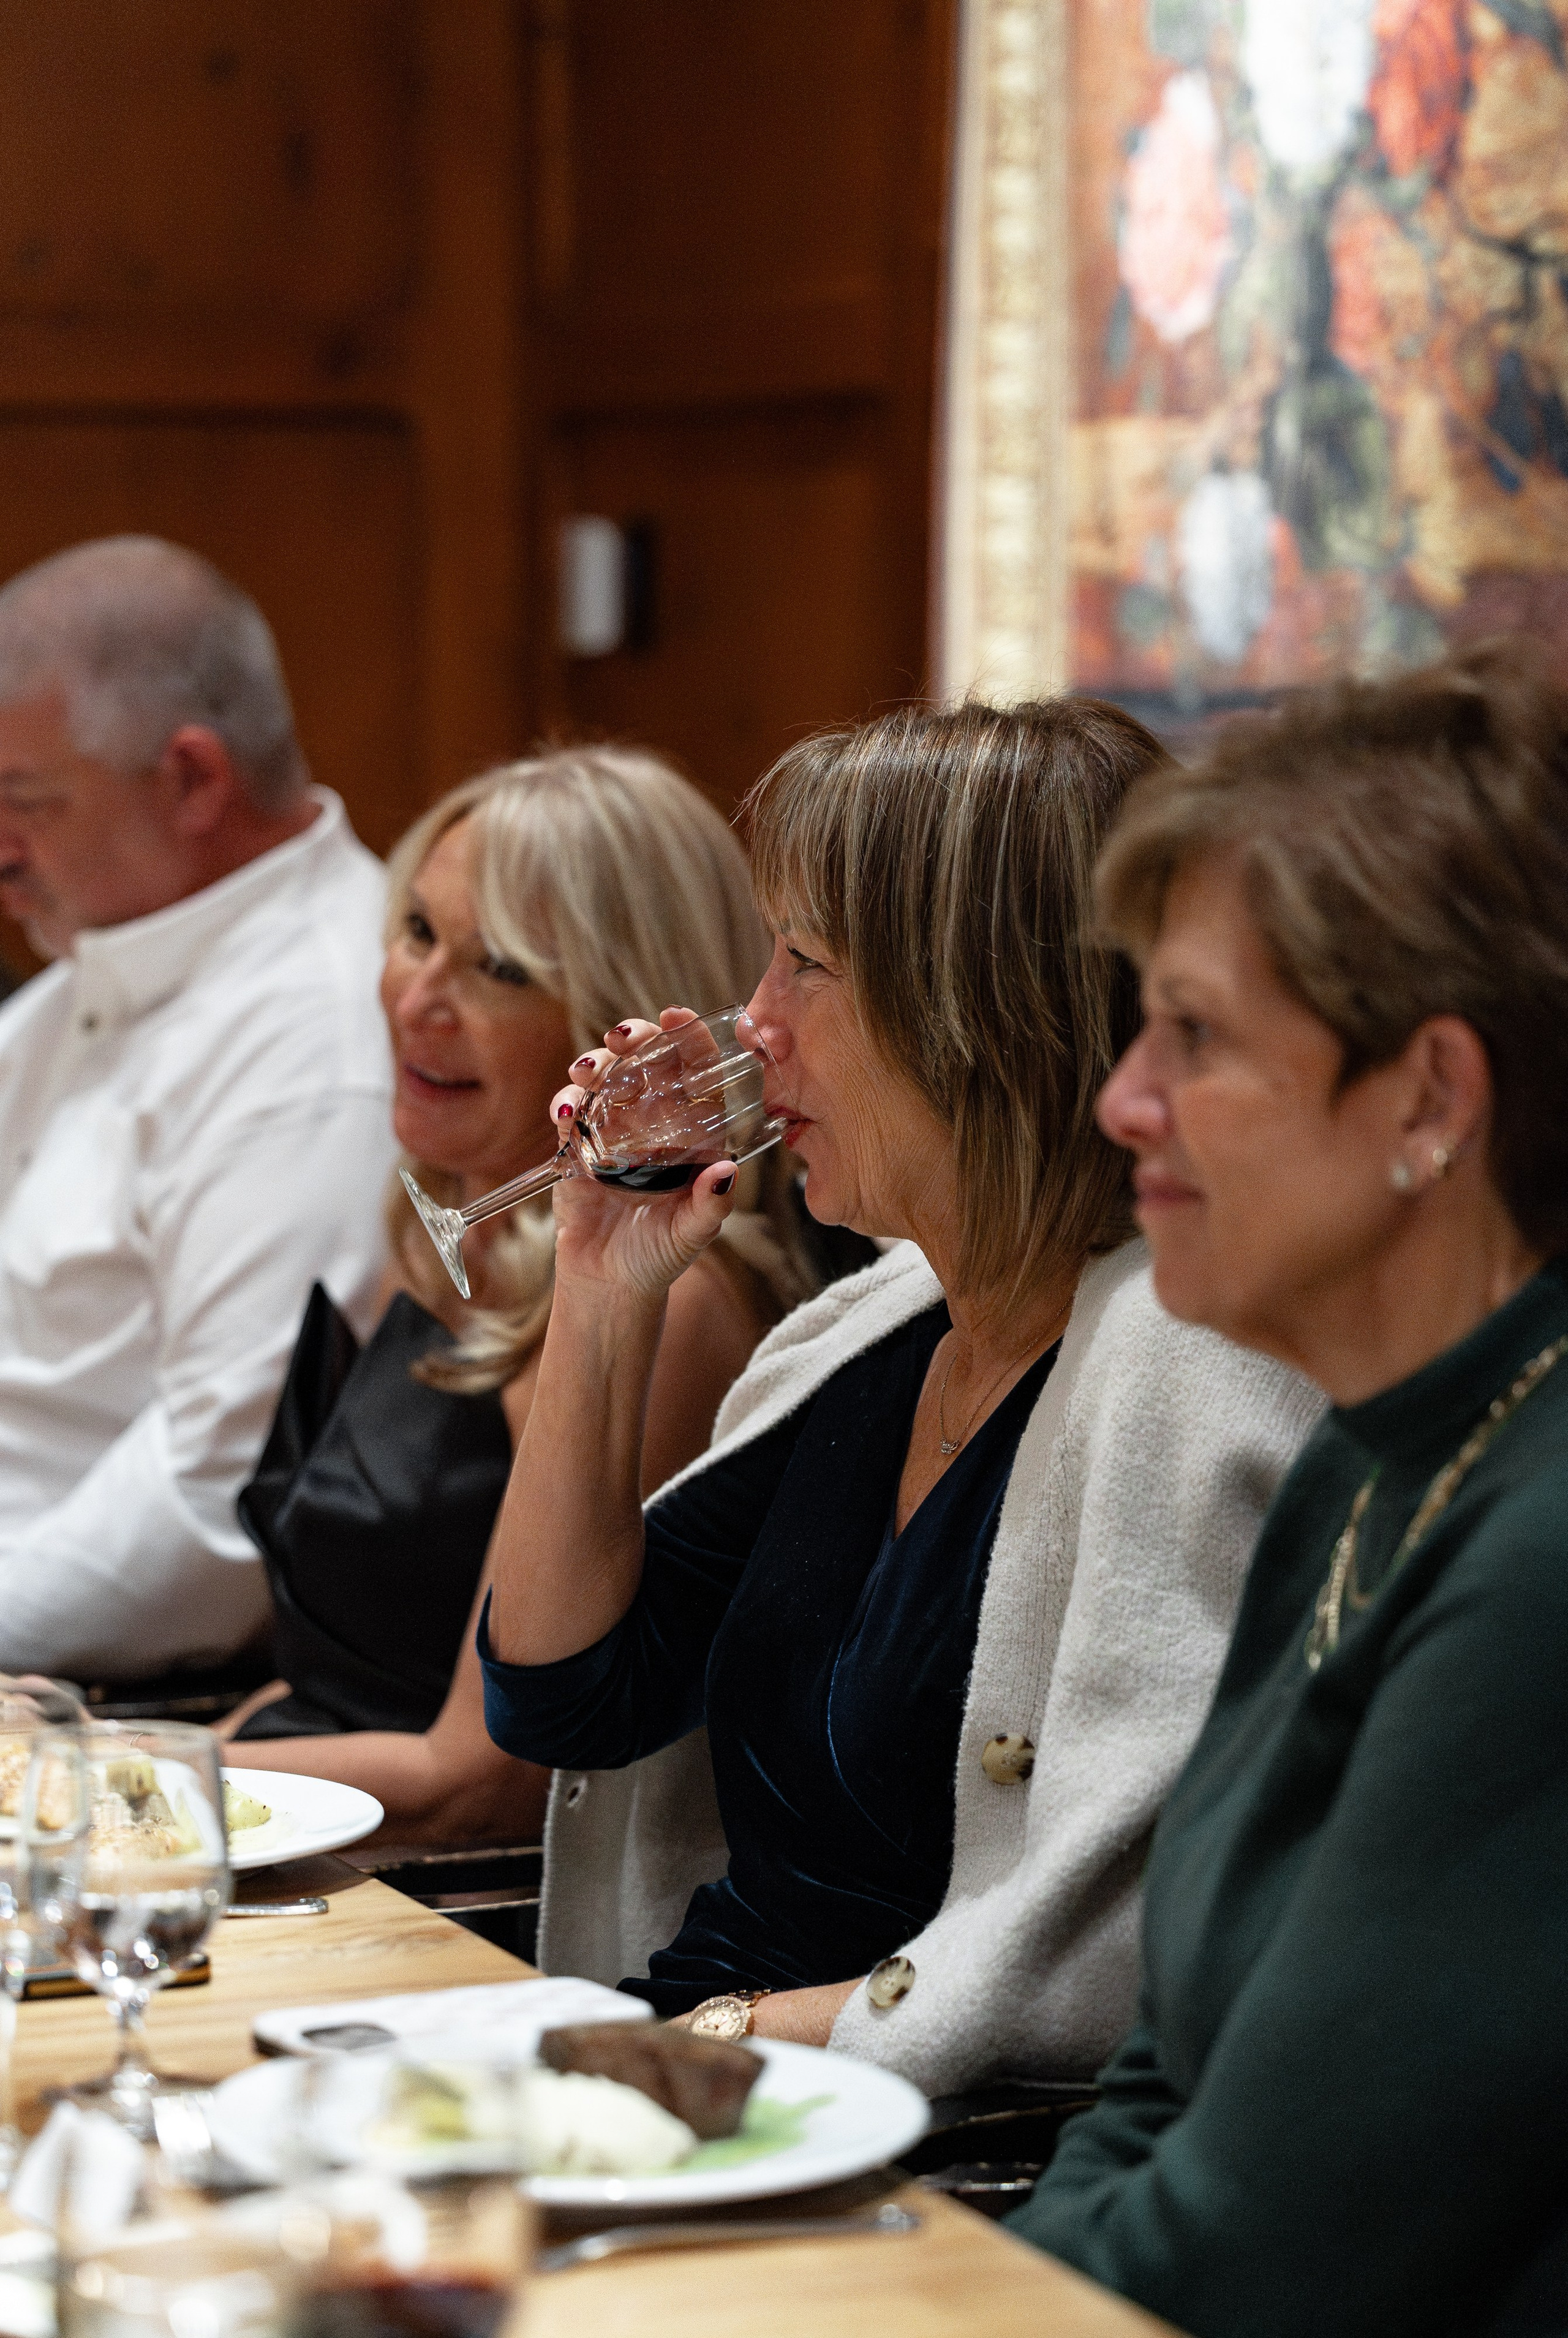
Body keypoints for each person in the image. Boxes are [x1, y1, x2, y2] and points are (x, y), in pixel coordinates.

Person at [478, 700, 1321, 2088]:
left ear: (978, 1008)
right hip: (695, 2074)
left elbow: (1096, 1963)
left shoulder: (1185, 1372)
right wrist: (602, 1289)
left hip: (917, 2140)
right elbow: (567, 1698)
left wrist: (694, 2043)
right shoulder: (871, 1328)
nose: (750, 1021)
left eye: (804, 960)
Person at [1011, 644, 1568, 2337]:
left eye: (1194, 1036)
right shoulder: (1366, 1450)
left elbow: (1267, 2250)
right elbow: (1162, 2071)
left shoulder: (1542, 1546)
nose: (1124, 1100)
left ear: (1430, 1098)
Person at [221, 749, 817, 1847]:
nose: (419, 997)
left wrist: (143, 1775)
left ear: (615, 1018)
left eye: (500, 969)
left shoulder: (662, 1300)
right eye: (416, 932)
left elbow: (490, 1779)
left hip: (457, 1904)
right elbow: (337, 1675)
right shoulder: (446, 1244)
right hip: (314, 1845)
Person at [0, 536, 391, 1683]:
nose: (2, 851)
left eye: (26, 801)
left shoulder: (320, 1027)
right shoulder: (83, 975)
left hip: (104, 1698)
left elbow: (214, 1493)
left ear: (193, 780)